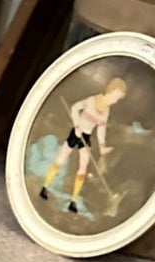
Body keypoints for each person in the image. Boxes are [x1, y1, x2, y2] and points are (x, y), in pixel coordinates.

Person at [39, 77, 127, 213]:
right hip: (76, 133)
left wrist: (102, 145)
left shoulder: (106, 110)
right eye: (116, 97)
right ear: (112, 91)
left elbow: (101, 129)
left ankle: (73, 201)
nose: (116, 101)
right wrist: (77, 125)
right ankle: (45, 187)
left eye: (118, 99)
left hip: (86, 137)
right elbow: (74, 108)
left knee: (82, 168)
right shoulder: (92, 100)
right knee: (61, 158)